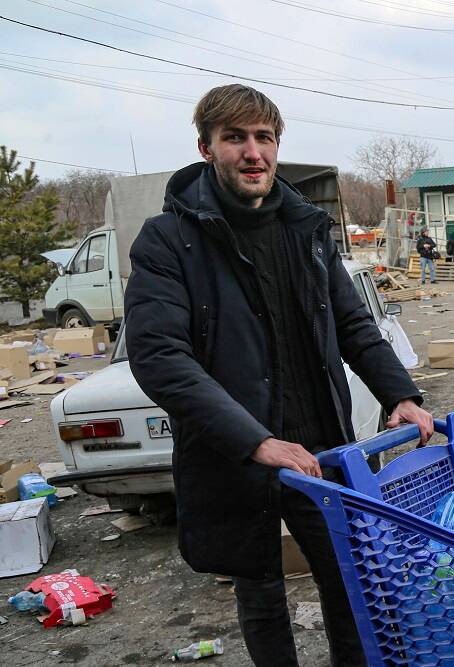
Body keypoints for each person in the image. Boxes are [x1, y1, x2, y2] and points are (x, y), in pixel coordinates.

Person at [123, 84, 434, 666]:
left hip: (323, 449)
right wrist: (255, 441)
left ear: (276, 147)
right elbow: (160, 356)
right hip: (239, 452)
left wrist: (402, 395)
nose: (252, 152)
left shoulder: (306, 230)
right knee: (260, 588)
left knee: (350, 578)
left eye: (263, 138)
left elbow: (355, 325)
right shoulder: (170, 241)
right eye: (234, 138)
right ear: (206, 148)